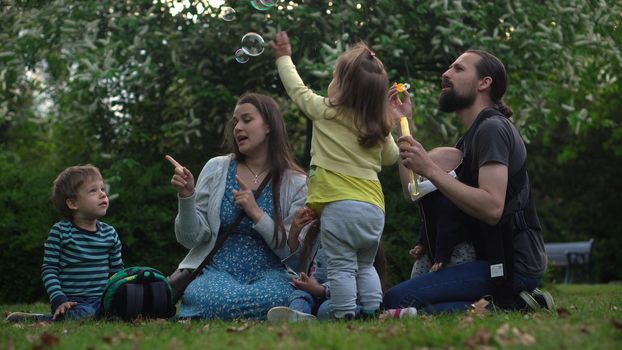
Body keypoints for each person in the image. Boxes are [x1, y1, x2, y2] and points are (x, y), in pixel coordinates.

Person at [384, 50, 553, 314]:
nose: (446, 74)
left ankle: (513, 303)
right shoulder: (469, 139)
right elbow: (412, 191)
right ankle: (509, 304)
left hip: (512, 264)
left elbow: (492, 207)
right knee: (399, 301)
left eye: (458, 69)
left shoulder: (492, 129)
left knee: (399, 301)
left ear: (484, 83)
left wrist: (430, 169)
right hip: (489, 259)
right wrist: (403, 124)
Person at [271, 31, 399, 319]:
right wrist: (390, 122)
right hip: (373, 209)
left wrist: (283, 57)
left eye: (334, 78)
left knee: (341, 267)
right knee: (364, 266)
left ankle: (344, 314)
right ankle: (371, 310)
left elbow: (297, 89)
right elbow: (392, 158)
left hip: (339, 207)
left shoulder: (327, 112)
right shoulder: (378, 127)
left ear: (342, 88)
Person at [166, 93, 307, 320]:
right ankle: (267, 315)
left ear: (269, 125)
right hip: (218, 271)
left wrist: (256, 213)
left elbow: (294, 256)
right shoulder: (216, 168)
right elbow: (190, 239)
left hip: (271, 272)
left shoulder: (296, 183)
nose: (238, 127)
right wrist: (187, 197)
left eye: (247, 120)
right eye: (235, 122)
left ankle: (225, 313)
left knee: (281, 297)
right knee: (212, 297)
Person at [6, 165, 124, 322]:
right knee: (84, 315)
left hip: (101, 300)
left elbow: (117, 273)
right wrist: (58, 298)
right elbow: (49, 269)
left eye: (102, 188)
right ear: (73, 203)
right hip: (71, 301)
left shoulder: (110, 233)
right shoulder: (60, 232)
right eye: (93, 190)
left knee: (122, 313)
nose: (103, 194)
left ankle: (100, 315)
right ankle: (40, 319)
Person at [402, 147, 477, 278]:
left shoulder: (449, 199)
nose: (422, 172)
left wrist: (441, 258)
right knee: (416, 274)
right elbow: (428, 222)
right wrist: (421, 243)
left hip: (455, 252)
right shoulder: (430, 196)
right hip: (435, 249)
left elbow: (448, 229)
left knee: (441, 277)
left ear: (446, 174)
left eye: (430, 167)